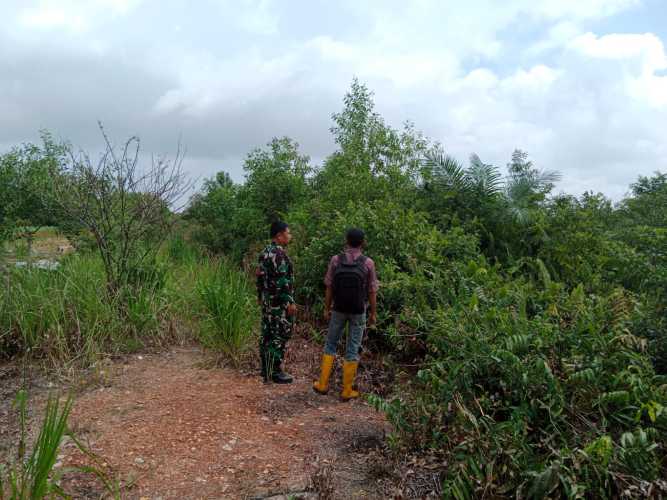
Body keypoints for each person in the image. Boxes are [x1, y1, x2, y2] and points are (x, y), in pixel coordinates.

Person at [313, 228, 378, 400]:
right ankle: (347, 390)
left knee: (331, 344)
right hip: (358, 311)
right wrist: (373, 313)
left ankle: (322, 384)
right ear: (363, 243)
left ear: (346, 241)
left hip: (338, 309)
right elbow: (372, 291)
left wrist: (327, 308)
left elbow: (329, 287)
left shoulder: (336, 260)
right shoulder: (368, 263)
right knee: (353, 347)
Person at [256, 221, 297, 384]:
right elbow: (282, 281)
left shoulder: (265, 252)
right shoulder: (279, 255)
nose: (290, 236)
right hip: (278, 303)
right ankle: (275, 371)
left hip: (267, 302)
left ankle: (266, 369)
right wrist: (289, 302)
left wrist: (260, 296)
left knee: (267, 333)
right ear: (279, 235)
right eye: (288, 233)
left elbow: (259, 275)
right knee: (279, 334)